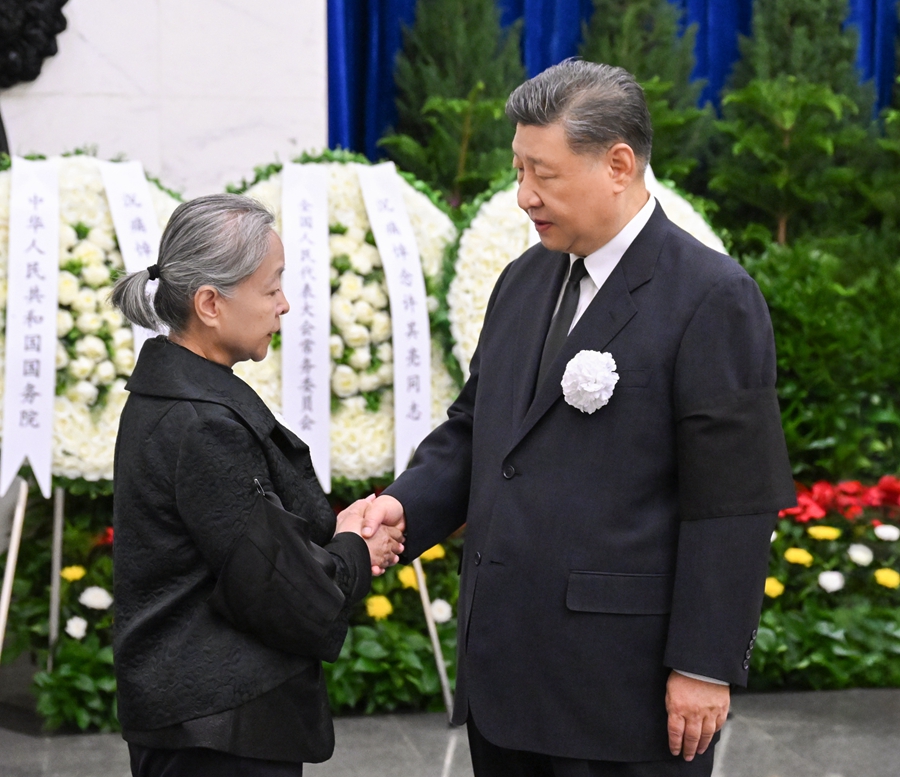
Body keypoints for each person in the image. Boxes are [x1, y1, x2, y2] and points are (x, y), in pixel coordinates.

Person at [359, 60, 796, 776]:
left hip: (622, 689)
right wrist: (402, 507)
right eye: (518, 170)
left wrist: (704, 664)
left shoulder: (710, 295)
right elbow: (477, 429)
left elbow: (732, 501)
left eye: (544, 174)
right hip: (505, 674)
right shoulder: (522, 280)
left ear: (618, 165)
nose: (523, 195)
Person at [110, 194, 402, 777]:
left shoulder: (180, 396)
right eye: (271, 289)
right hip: (216, 728)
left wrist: (342, 535)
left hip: (200, 717)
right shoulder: (201, 424)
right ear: (210, 304)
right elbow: (281, 591)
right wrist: (356, 546)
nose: (284, 304)